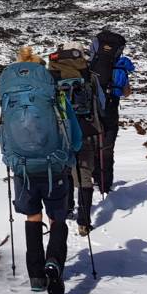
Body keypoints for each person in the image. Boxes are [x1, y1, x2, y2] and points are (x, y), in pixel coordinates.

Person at [0, 47, 83, 294]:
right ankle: (54, 262)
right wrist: (70, 155)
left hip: (22, 167)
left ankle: (36, 276)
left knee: (32, 217)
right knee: (57, 217)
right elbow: (74, 135)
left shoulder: (9, 97)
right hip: (54, 166)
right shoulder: (55, 97)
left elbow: (2, 134)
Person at [47, 42, 102, 237]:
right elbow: (99, 102)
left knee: (64, 170)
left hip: (59, 129)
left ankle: (66, 208)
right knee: (84, 172)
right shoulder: (88, 73)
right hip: (84, 126)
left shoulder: (51, 73)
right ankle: (84, 221)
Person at [88, 30, 132, 194]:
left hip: (91, 111)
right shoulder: (119, 66)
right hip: (111, 111)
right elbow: (126, 92)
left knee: (92, 145)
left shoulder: (91, 65)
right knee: (107, 148)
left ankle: (93, 177)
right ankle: (105, 185)